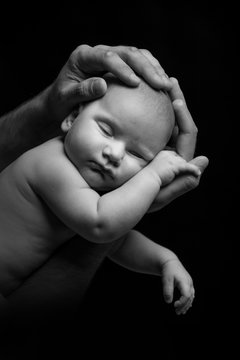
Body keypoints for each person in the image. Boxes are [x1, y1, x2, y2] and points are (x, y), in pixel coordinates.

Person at [0, 44, 208, 317]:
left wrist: (164, 260)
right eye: (106, 130)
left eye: (137, 154)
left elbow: (118, 241)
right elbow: (101, 225)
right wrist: (153, 175)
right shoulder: (51, 164)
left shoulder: (89, 192)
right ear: (73, 117)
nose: (114, 154)